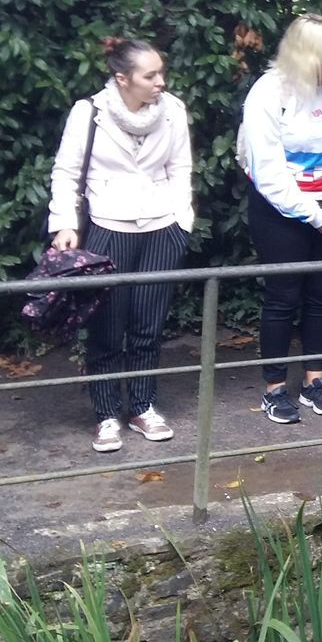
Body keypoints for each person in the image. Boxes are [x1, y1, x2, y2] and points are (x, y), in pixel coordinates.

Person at [47, 38, 194, 452]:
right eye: (151, 76)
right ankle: (106, 414)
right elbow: (66, 171)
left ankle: (143, 406)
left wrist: (182, 221)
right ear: (122, 78)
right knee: (107, 328)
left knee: (148, 326)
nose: (160, 82)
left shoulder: (173, 111)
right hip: (107, 227)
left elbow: (180, 168)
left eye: (161, 73)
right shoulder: (89, 112)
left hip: (162, 227)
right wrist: (64, 223)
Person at [239, 14, 322, 424]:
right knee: (283, 295)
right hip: (280, 204)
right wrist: (313, 218)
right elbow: (268, 171)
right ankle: (274, 388)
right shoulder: (269, 92)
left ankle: (315, 380)